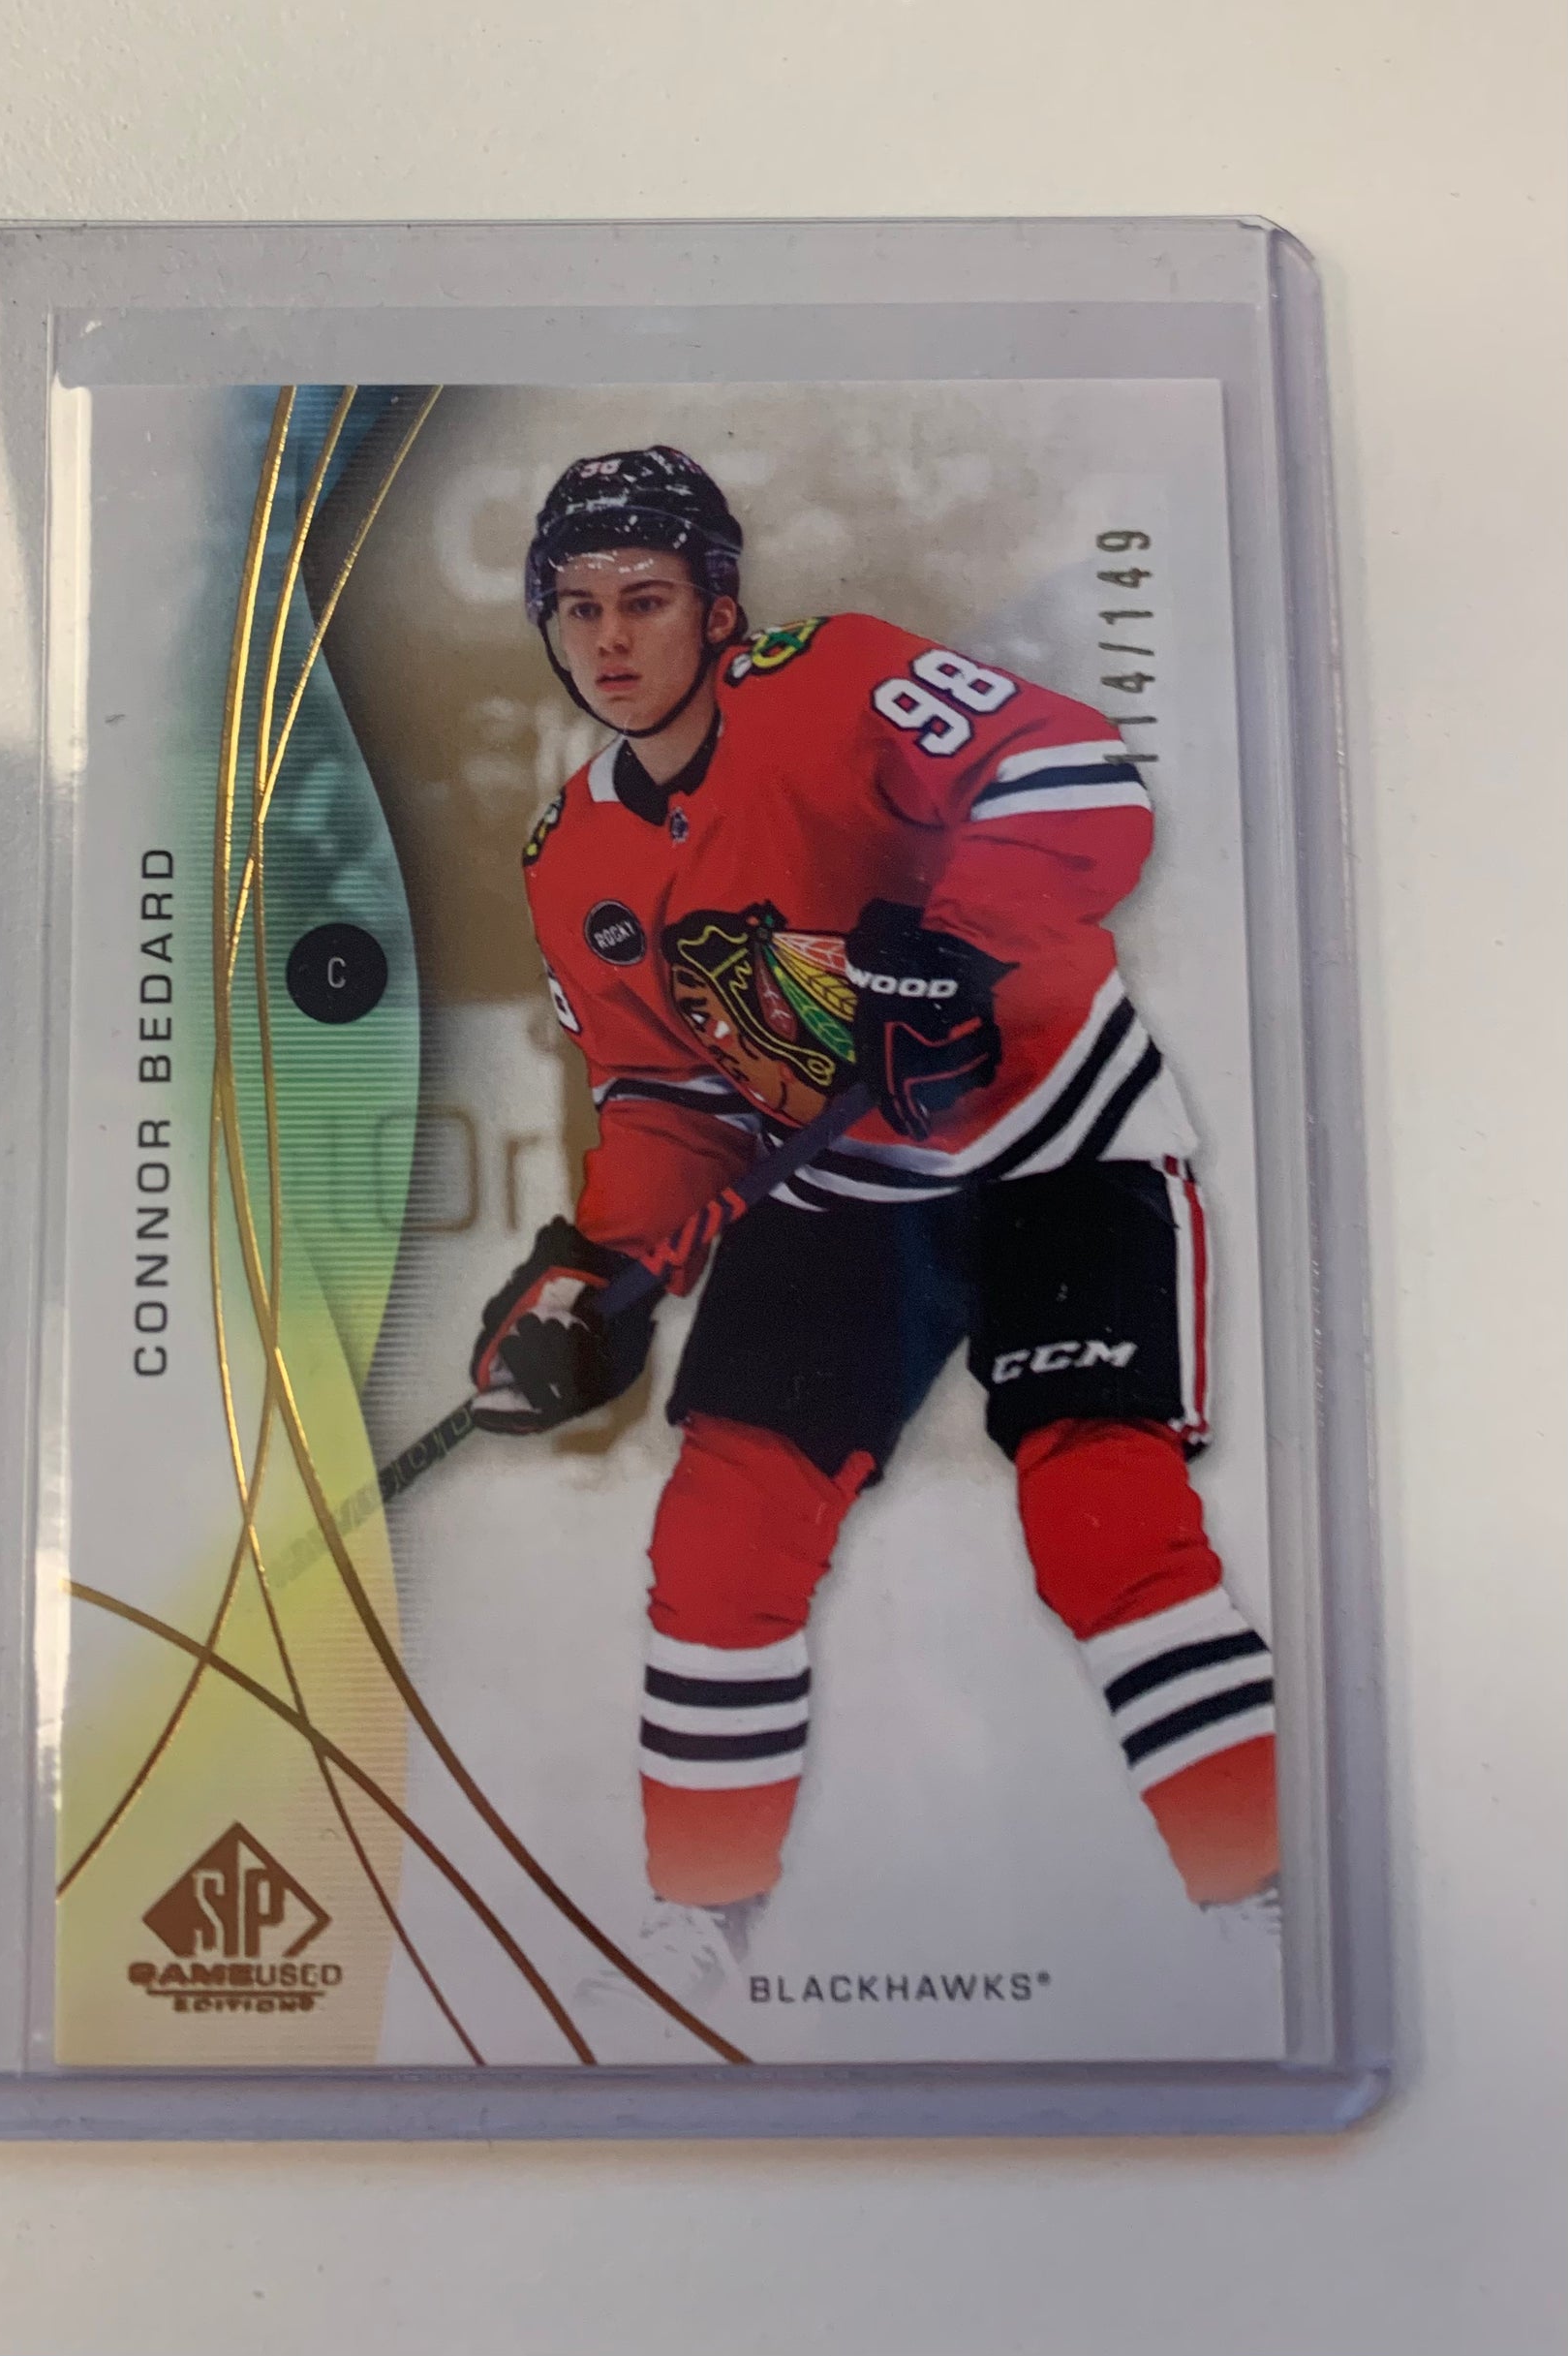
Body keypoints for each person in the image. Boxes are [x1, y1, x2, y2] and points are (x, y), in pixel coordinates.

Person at [469, 446, 1278, 2002]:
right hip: (837, 1195)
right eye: (576, 608)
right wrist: (596, 1276)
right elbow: (664, 1099)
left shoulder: (837, 678)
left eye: (646, 599)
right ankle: (699, 1925)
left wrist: (953, 946)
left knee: (1102, 1518)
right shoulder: (571, 857)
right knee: (721, 1538)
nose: (609, 638)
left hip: (1060, 1143)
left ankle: (1257, 1897)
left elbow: (1074, 777)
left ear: (720, 608)